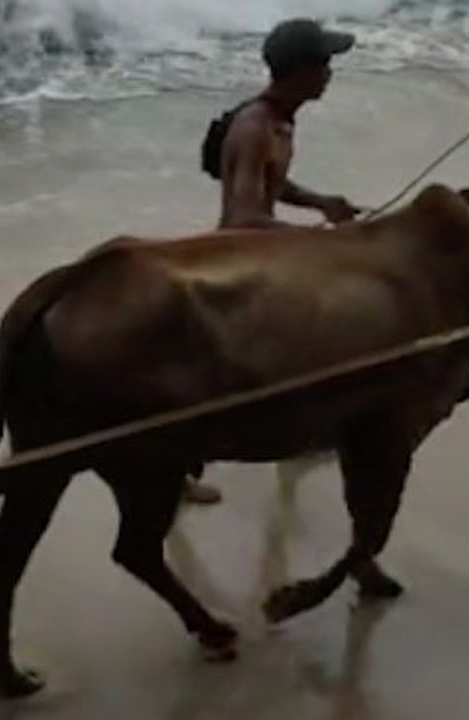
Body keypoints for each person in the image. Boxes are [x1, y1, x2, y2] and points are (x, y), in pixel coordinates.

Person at [184, 17, 363, 505]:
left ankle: (300, 432)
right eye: (324, 64)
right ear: (300, 70)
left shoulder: (281, 119)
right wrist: (314, 241)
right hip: (242, 263)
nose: (331, 73)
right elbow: (244, 217)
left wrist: (322, 203)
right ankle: (182, 466)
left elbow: (271, 184)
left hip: (266, 255)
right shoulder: (255, 127)